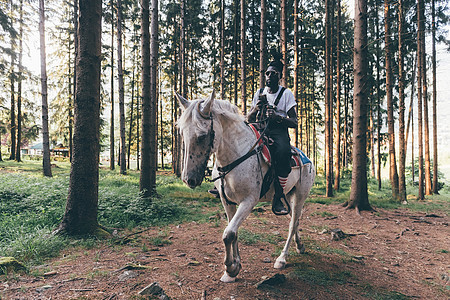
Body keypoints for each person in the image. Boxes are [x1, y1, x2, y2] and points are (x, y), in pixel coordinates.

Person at [247, 55, 298, 215]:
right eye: (267, 73)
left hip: (278, 131)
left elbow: (294, 122)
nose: (269, 76)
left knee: (283, 152)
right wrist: (255, 109)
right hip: (259, 127)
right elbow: (248, 118)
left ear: (280, 76)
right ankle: (226, 182)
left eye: (273, 73)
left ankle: (278, 196)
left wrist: (278, 118)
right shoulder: (259, 93)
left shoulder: (286, 94)